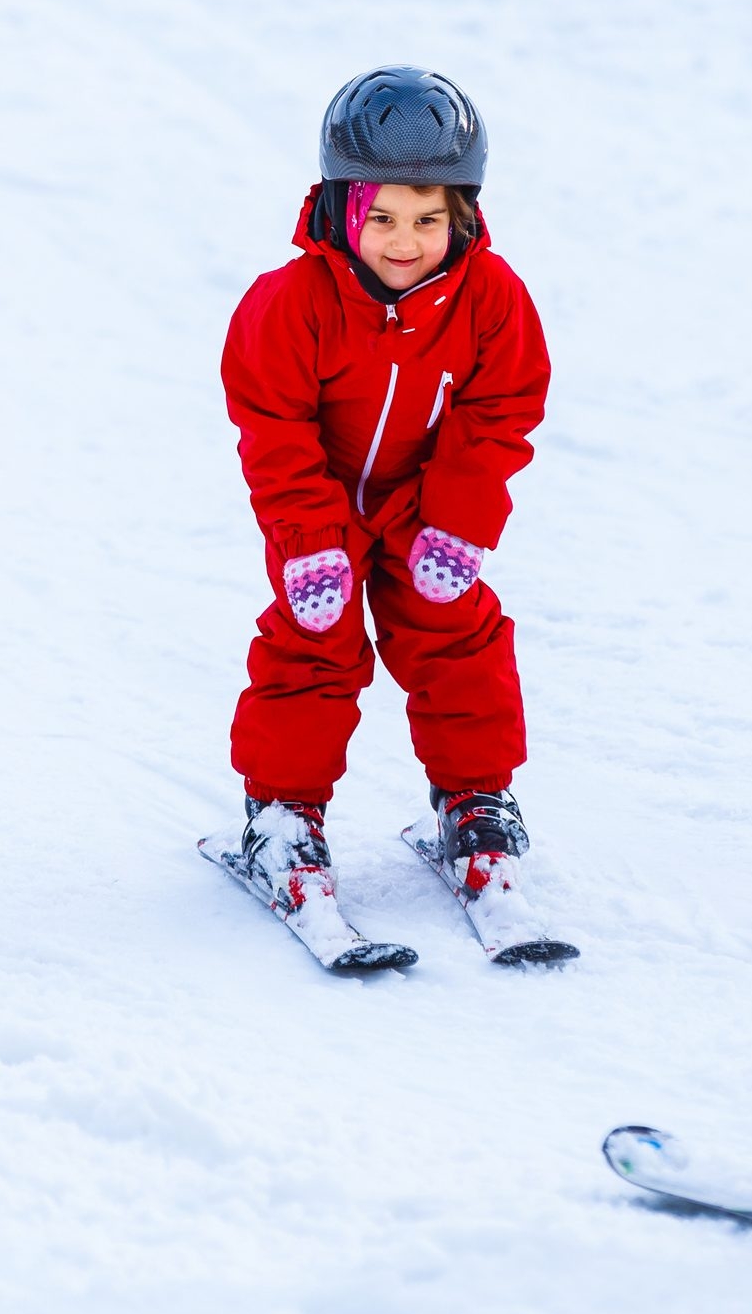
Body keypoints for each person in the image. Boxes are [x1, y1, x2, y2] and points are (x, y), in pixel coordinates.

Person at [222, 66, 549, 910]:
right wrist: (307, 540)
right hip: (321, 503)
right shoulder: (288, 303)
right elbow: (275, 428)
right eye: (383, 218)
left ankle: (473, 800)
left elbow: (501, 411)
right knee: (313, 645)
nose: (404, 241)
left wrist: (459, 523)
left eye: (429, 220)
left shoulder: (491, 300)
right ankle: (283, 817)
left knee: (458, 638)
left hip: (424, 502)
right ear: (340, 207)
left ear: (462, 216)